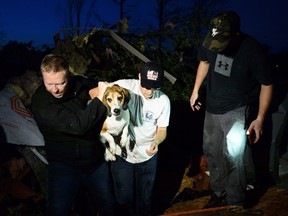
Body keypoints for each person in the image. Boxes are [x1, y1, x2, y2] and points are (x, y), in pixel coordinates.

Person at [189, 11, 273, 208]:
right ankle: (219, 194)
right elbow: (204, 61)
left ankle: (235, 201)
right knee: (211, 152)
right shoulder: (211, 39)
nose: (217, 45)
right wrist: (195, 91)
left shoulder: (253, 51)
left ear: (236, 34)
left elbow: (267, 84)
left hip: (236, 109)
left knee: (233, 155)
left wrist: (260, 118)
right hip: (212, 109)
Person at [31, 54, 116, 216]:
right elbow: (77, 126)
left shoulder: (78, 82)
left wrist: (100, 90)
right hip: (64, 166)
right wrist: (101, 99)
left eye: (60, 83)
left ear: (68, 76)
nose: (55, 89)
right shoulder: (41, 102)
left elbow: (96, 87)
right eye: (49, 83)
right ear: (42, 77)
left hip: (95, 163)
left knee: (109, 206)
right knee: (57, 211)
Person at [92, 61, 171, 216]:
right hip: (123, 153)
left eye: (154, 86)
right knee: (123, 198)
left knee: (145, 200)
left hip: (147, 154)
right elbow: (92, 93)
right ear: (139, 77)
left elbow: (162, 130)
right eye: (146, 86)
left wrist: (156, 141)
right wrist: (103, 91)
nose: (149, 91)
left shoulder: (163, 101)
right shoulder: (125, 86)